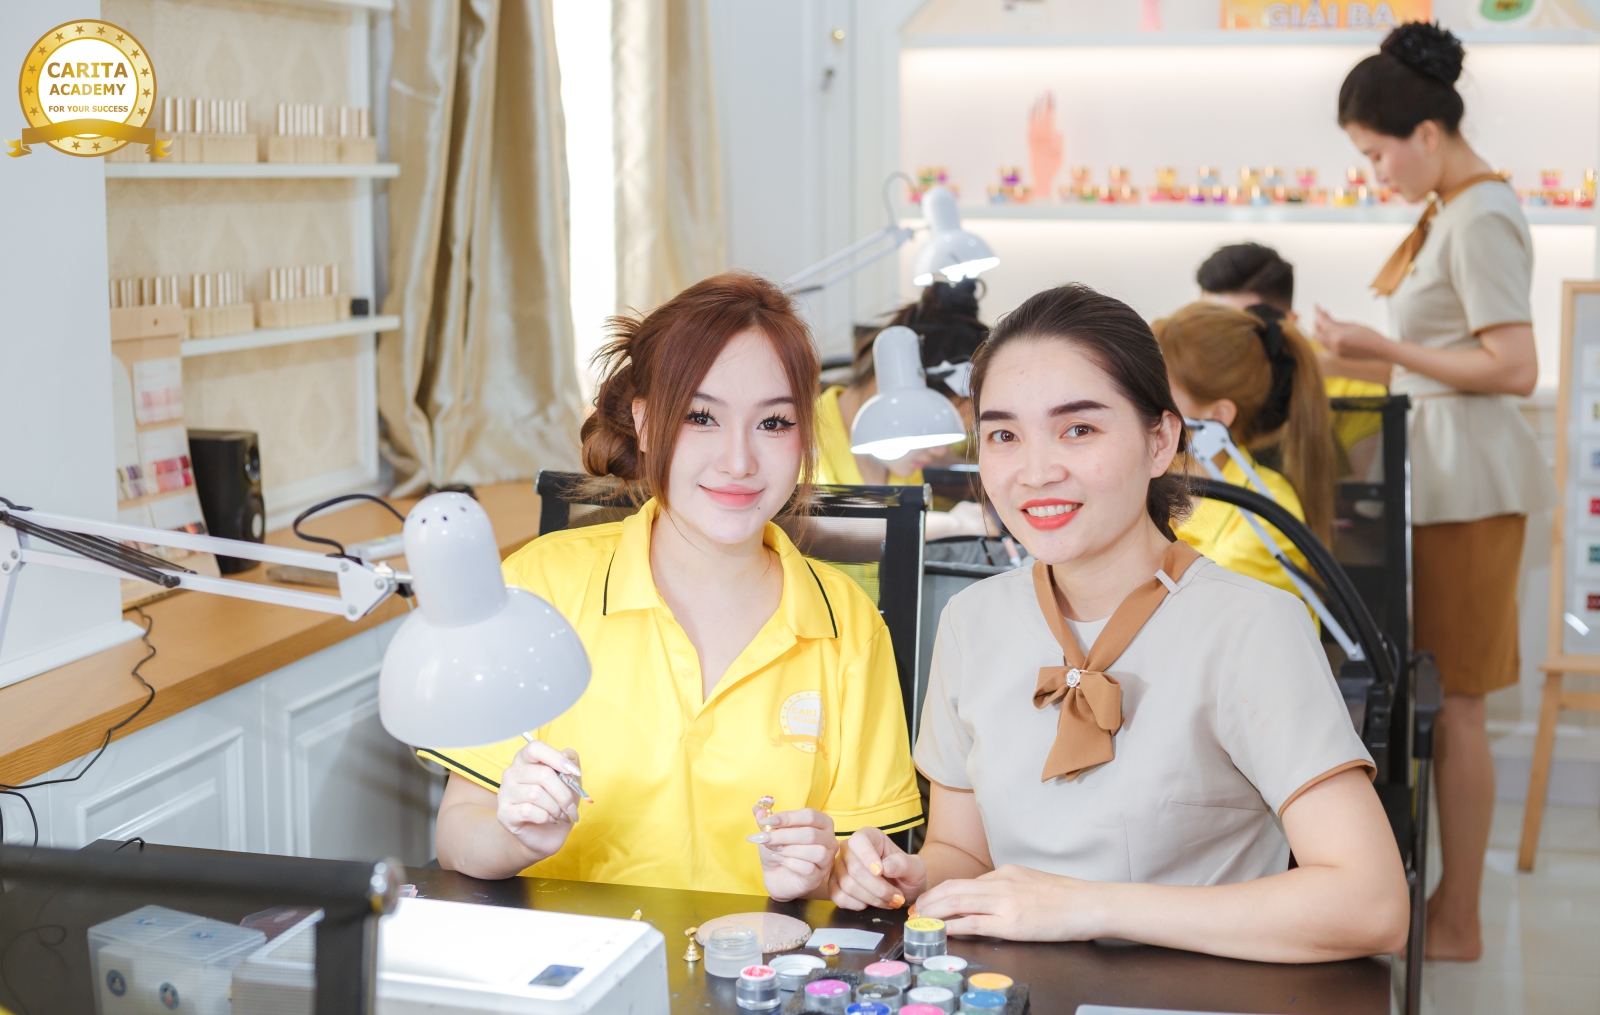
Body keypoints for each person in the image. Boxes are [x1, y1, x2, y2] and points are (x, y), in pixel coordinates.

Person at [825, 284, 1409, 963]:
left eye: (1079, 429)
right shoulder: (970, 621)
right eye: (1004, 435)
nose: (1036, 472)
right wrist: (912, 875)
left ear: (1160, 441)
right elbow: (965, 852)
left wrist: (1086, 905)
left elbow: (1371, 905)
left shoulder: (1252, 627)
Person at [428, 272, 921, 898]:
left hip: (763, 954)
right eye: (700, 416)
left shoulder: (849, 623)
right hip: (578, 953)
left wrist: (826, 877)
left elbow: (864, 872)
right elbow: (458, 833)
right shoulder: (538, 585)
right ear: (644, 422)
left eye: (773, 423)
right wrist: (516, 838)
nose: (738, 461)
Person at [1316, 22, 1554, 961]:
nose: (1377, 174)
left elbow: (1514, 365)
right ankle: (1450, 909)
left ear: (1425, 133)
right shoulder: (1456, 210)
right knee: (1445, 698)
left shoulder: (1481, 213)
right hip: (1448, 482)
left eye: (1377, 155)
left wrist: (1381, 348)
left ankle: (1460, 921)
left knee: (1458, 705)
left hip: (1470, 489)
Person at [1154, 301, 1332, 607]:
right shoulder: (1153, 479)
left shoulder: (1267, 515)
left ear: (1217, 415)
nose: (1144, 402)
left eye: (1160, 391)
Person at [816, 281, 993, 540]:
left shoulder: (901, 458)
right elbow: (818, 534)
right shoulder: (802, 438)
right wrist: (951, 524)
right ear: (894, 384)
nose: (939, 451)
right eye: (932, 431)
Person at [1196, 242, 1387, 456]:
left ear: (1288, 322)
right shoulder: (1185, 379)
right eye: (1209, 324)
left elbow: (1363, 474)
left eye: (1241, 327)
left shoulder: (1352, 390)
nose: (1221, 341)